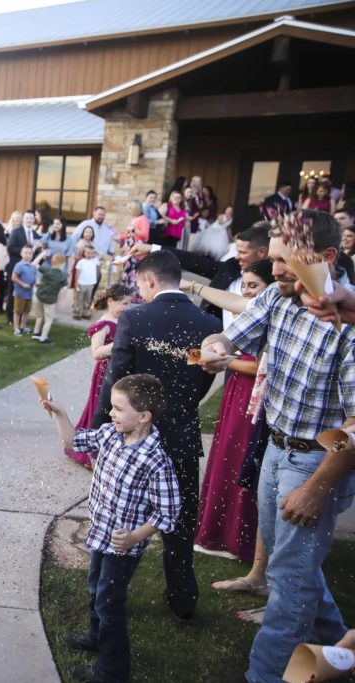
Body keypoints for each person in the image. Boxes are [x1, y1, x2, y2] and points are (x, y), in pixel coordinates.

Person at [199, 210, 355, 683]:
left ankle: (262, 676)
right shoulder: (279, 293)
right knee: (296, 569)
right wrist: (215, 345)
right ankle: (342, 652)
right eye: (274, 257)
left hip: (316, 460)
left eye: (287, 260)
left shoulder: (347, 322)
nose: (276, 268)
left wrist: (316, 487)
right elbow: (234, 335)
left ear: (326, 257)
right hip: (274, 447)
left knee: (288, 584)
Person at [92, 250, 221, 622]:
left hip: (136, 437)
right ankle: (182, 598)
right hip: (179, 433)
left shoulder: (134, 317)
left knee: (120, 514)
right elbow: (204, 379)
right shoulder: (206, 321)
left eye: (139, 285)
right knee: (178, 520)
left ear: (149, 280)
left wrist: (104, 427)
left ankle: (107, 597)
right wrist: (179, 408)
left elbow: (116, 377)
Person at [44, 374, 180, 683]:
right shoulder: (110, 435)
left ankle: (113, 670)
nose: (111, 413)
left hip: (123, 548)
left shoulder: (156, 461)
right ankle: (96, 637)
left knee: (109, 603)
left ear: (143, 416)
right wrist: (60, 414)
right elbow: (73, 441)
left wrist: (134, 537)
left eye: (119, 409)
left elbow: (167, 513)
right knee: (96, 590)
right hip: (100, 535)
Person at [187, 260, 273, 566]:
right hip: (237, 391)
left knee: (239, 460)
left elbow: (255, 364)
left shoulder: (271, 312)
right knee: (224, 455)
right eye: (245, 286)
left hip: (254, 395)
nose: (248, 292)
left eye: (254, 286)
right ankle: (216, 532)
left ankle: (237, 538)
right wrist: (204, 352)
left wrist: (205, 357)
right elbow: (225, 340)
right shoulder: (251, 311)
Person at [133, 224, 270, 330]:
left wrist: (193, 287)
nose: (237, 256)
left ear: (262, 252)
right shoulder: (231, 267)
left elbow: (243, 306)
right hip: (217, 344)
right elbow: (194, 261)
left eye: (242, 252)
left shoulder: (274, 286)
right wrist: (152, 249)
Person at [64, 284, 132, 469]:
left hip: (118, 369)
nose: (127, 308)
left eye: (129, 304)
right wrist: (120, 343)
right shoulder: (103, 325)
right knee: (100, 407)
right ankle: (90, 452)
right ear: (111, 301)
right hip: (105, 372)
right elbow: (96, 352)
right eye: (124, 303)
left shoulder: (121, 321)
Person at [5, 210, 40, 325]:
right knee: (13, 293)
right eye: (27, 218)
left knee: (25, 294)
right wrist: (25, 253)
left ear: (33, 220)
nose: (29, 220)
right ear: (23, 219)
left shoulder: (35, 234)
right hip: (16, 266)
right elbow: (10, 247)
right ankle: (11, 318)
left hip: (29, 270)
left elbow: (38, 250)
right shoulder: (16, 232)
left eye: (31, 218)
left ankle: (22, 319)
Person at [31, 252, 67, 344]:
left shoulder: (47, 270)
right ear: (60, 264)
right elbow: (64, 289)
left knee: (39, 316)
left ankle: (36, 333)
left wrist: (42, 254)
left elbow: (34, 263)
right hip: (50, 300)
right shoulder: (62, 275)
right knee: (49, 319)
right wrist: (61, 302)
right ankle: (43, 338)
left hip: (39, 296)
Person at [11, 245, 38, 335]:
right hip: (20, 293)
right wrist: (23, 284)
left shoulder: (33, 266)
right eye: (25, 253)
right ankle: (16, 328)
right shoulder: (19, 265)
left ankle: (23, 326)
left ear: (32, 255)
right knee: (18, 311)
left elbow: (34, 278)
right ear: (21, 254)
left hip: (29, 293)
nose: (27, 255)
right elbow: (14, 277)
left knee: (27, 311)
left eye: (30, 253)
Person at [73, 245, 100, 319]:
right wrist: (76, 283)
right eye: (87, 253)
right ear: (84, 253)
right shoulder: (81, 262)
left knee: (87, 299)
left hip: (90, 284)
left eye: (91, 253)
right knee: (79, 299)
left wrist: (96, 252)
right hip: (81, 283)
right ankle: (77, 313)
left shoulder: (95, 261)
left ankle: (85, 312)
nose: (89, 254)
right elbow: (77, 273)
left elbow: (102, 257)